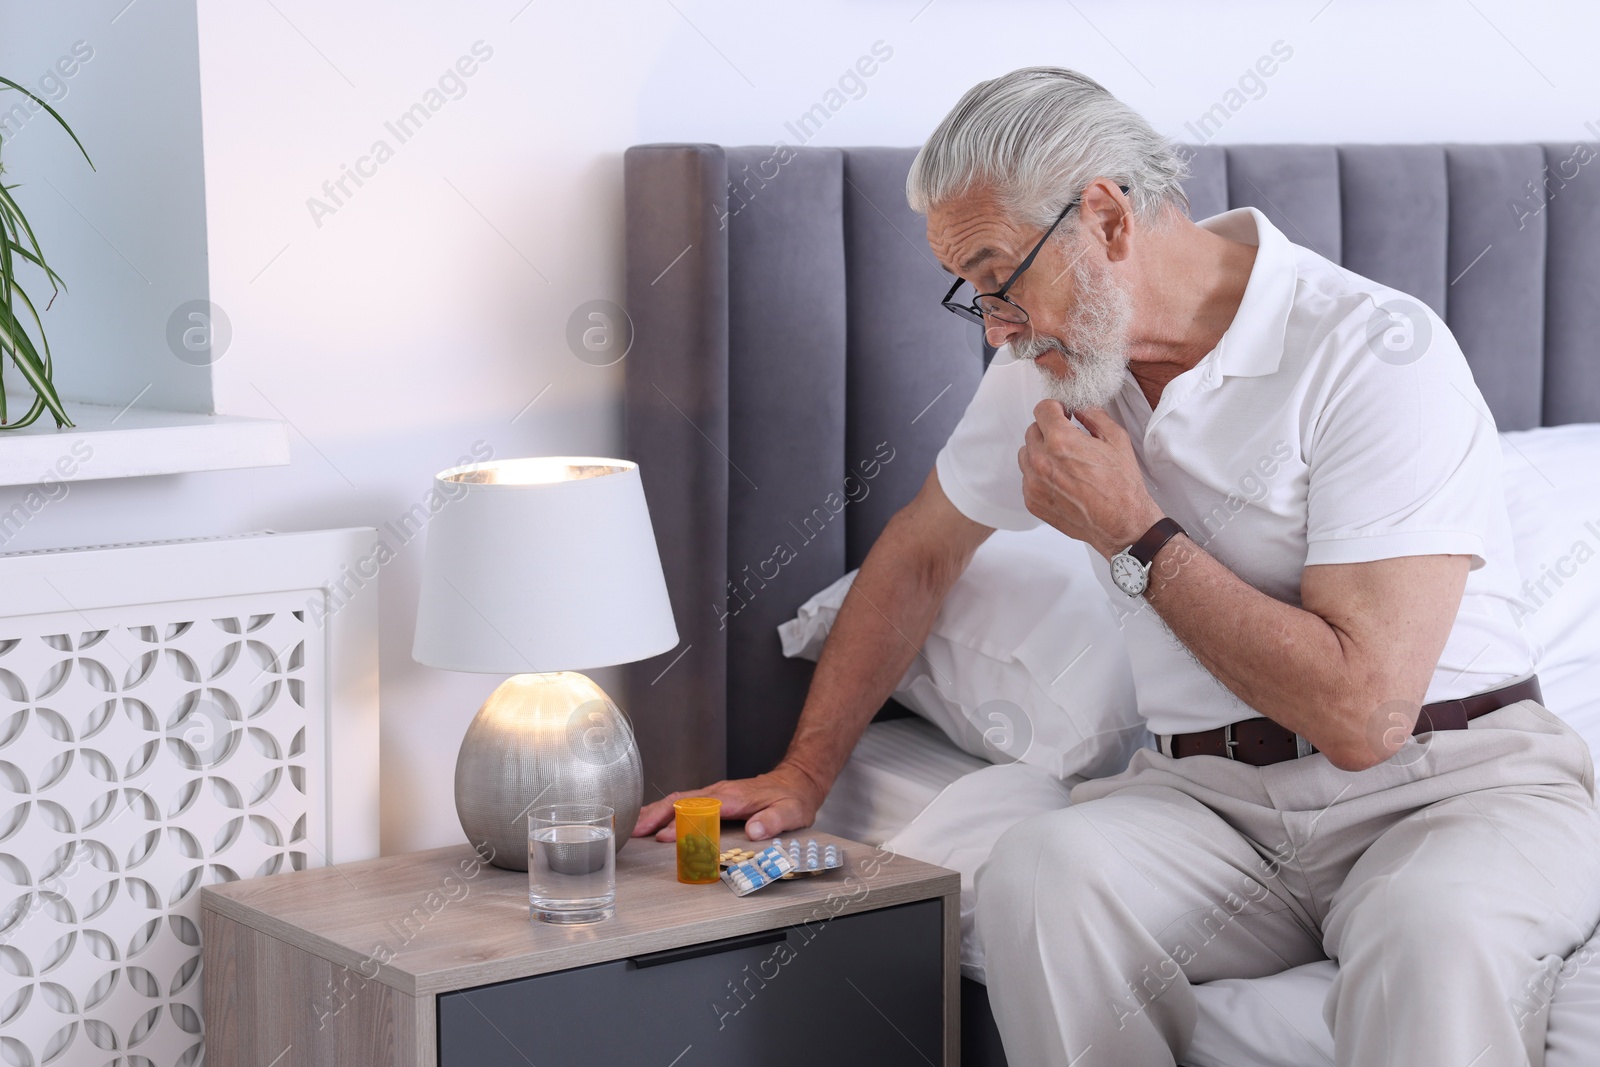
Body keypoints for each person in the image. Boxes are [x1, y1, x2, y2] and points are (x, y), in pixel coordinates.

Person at [635, 66, 1600, 1065]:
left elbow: (1365, 717)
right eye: (970, 296)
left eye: (999, 277)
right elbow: (922, 552)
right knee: (1042, 872)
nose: (995, 326)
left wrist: (1134, 532)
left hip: (1452, 787)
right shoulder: (1054, 366)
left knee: (1433, 932)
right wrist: (802, 773)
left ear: (1102, 217)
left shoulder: (1371, 353)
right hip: (1215, 805)